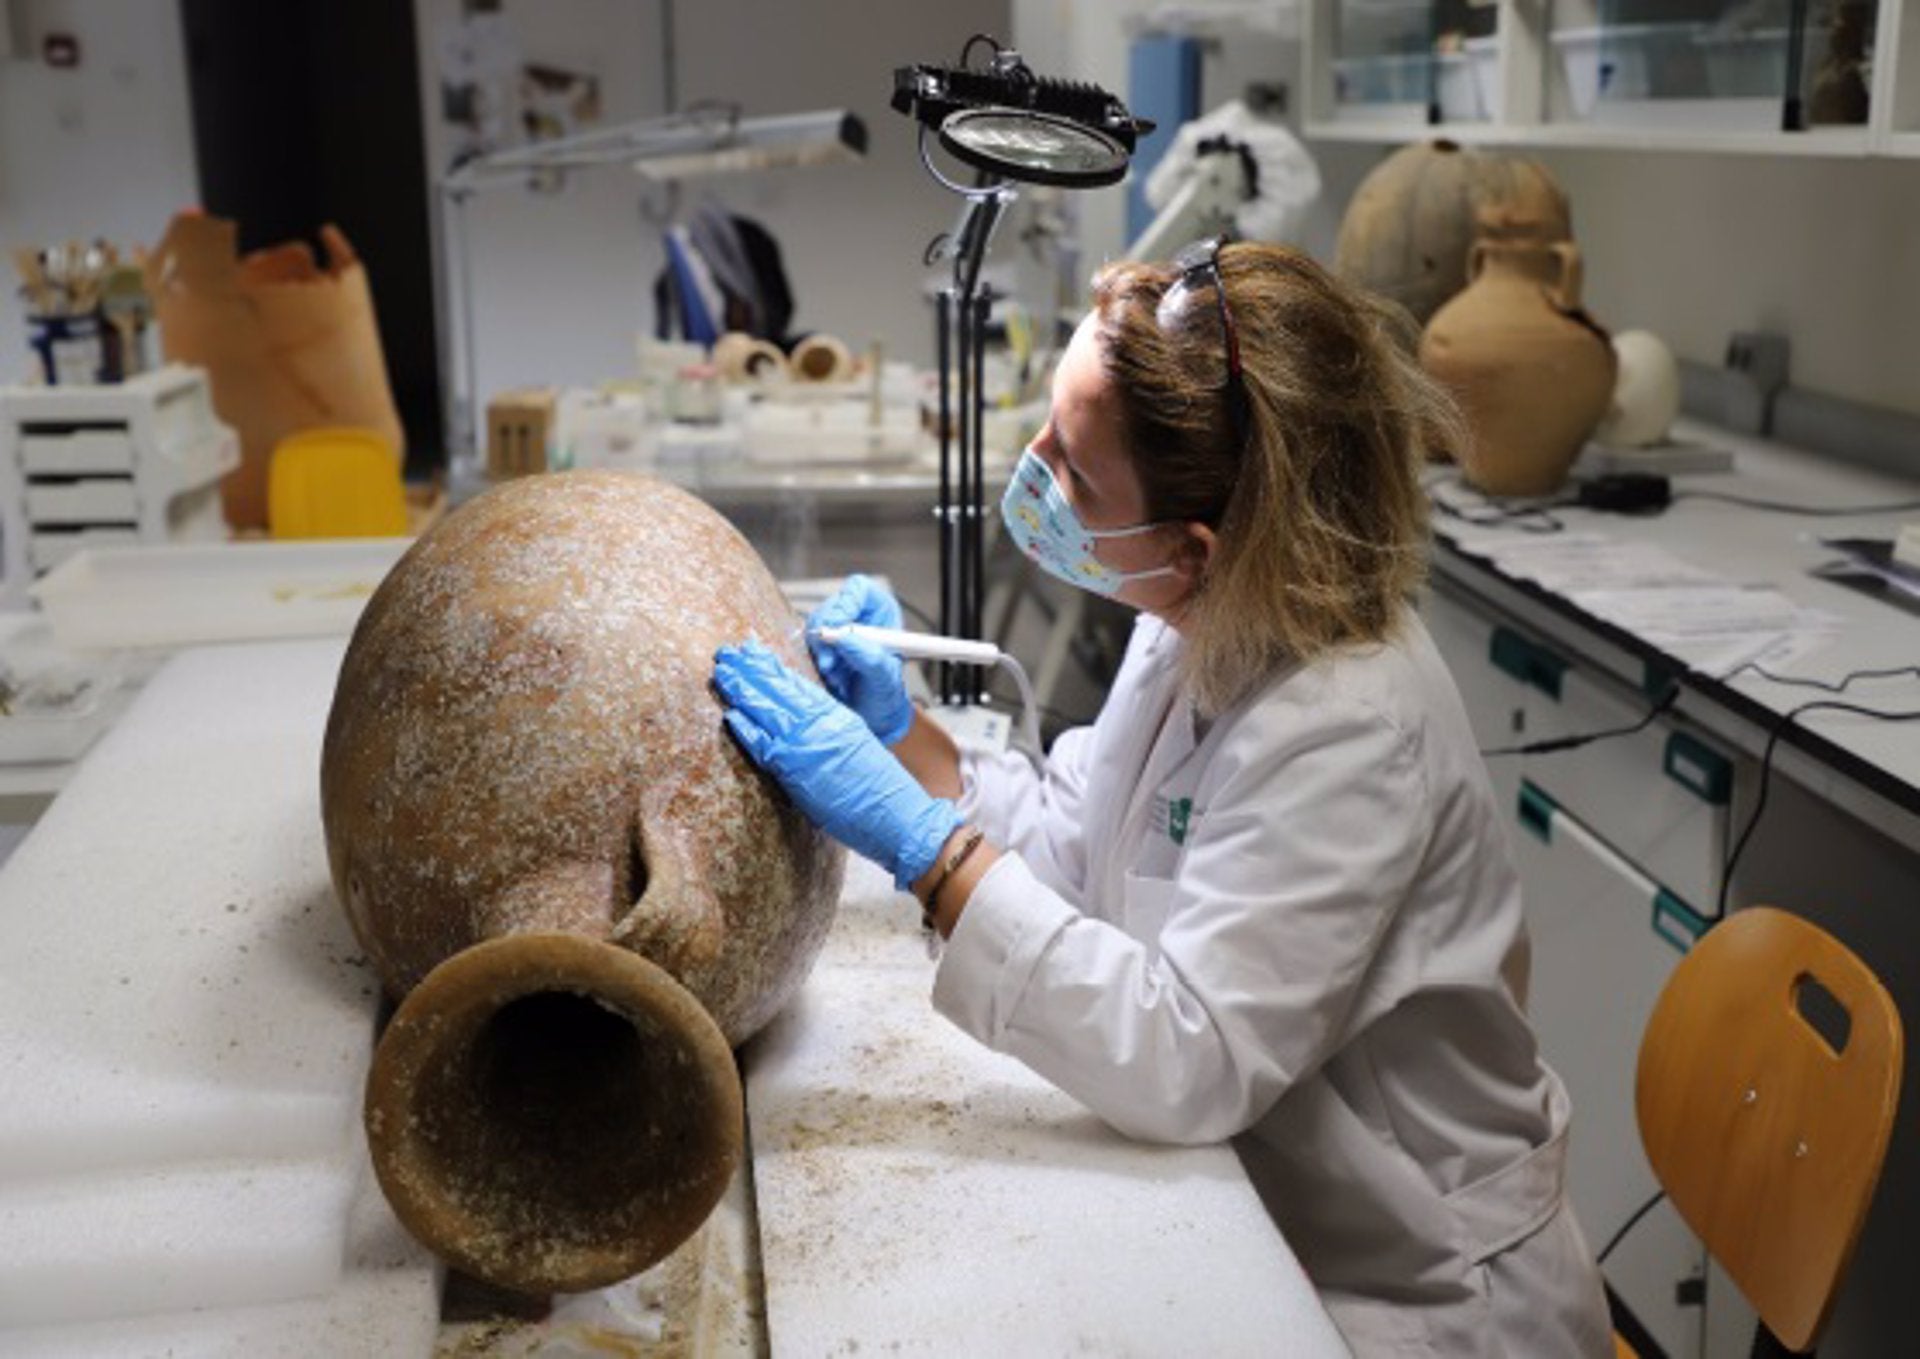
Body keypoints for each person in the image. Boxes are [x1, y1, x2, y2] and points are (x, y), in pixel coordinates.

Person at [711, 239, 1613, 1356]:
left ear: (1196, 547)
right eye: (1049, 430)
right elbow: (1081, 838)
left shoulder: (1350, 725)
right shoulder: (1199, 616)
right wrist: (906, 740)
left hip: (1419, 1286)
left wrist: (926, 850)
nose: (1036, 471)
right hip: (1271, 1214)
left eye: (1076, 475)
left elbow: (1192, 1057)